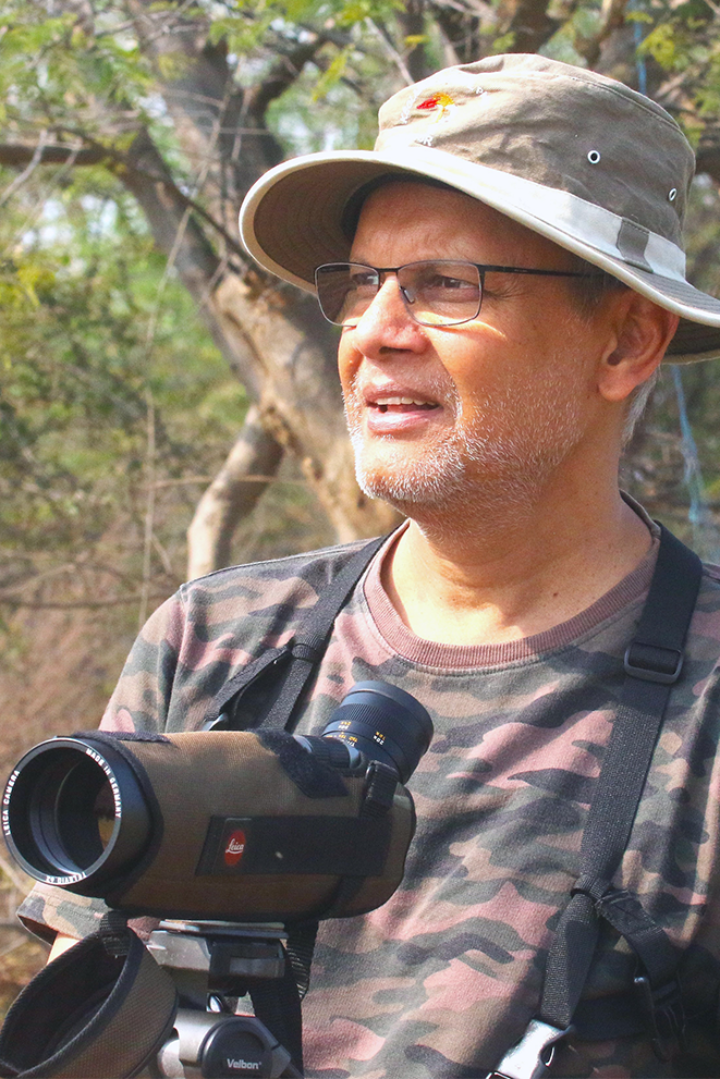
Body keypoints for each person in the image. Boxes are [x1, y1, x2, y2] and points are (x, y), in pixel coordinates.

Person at [17, 54, 720, 1078]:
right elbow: (88, 1015)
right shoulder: (220, 642)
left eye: (447, 284)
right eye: (359, 282)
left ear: (624, 342)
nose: (376, 332)